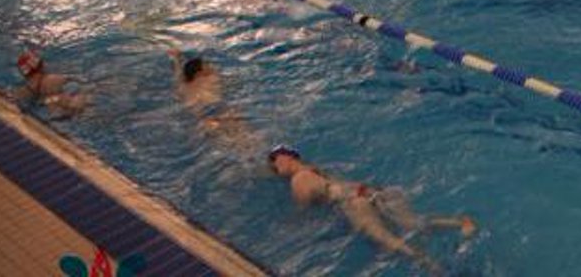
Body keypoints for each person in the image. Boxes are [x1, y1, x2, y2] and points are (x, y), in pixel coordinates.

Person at [268, 145, 476, 272]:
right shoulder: (314, 168)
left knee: (388, 241)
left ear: (285, 157)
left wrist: (291, 223)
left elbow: (305, 212)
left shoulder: (298, 181)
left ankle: (434, 268)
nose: (277, 171)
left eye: (275, 165)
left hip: (354, 202)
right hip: (369, 190)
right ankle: (460, 222)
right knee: (414, 222)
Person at [167, 49, 261, 152]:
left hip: (203, 117)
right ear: (200, 73)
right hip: (219, 109)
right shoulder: (211, 78)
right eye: (206, 65)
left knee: (228, 146)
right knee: (249, 140)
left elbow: (178, 75)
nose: (210, 66)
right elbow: (232, 81)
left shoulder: (184, 87)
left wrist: (176, 59)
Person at [12, 49, 88, 119]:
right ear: (41, 66)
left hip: (51, 111)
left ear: (24, 73)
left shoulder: (24, 91)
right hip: (69, 107)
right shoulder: (54, 79)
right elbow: (80, 83)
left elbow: (15, 102)